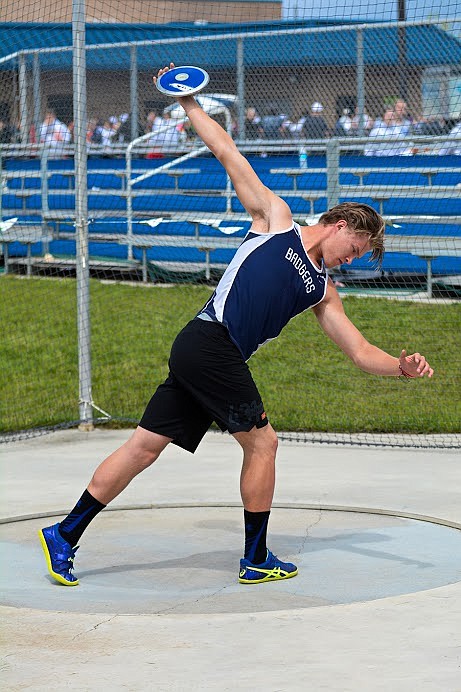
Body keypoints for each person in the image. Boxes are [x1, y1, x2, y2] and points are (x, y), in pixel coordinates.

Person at [38, 63, 434, 589]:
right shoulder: (276, 220)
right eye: (355, 249)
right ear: (341, 225)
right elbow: (229, 154)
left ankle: (64, 534)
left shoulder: (322, 289)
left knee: (143, 447)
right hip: (210, 343)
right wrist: (188, 103)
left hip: (205, 352)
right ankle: (255, 557)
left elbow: (360, 351)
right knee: (263, 443)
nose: (352, 260)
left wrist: (401, 368)